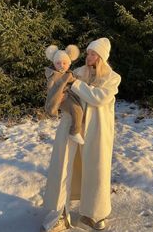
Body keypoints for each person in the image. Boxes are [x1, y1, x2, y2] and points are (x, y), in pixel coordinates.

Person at [41, 37, 121, 231]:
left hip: (98, 129)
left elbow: (98, 98)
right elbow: (61, 85)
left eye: (93, 53)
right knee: (63, 165)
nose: (89, 56)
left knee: (97, 168)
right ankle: (59, 214)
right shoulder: (78, 72)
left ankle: (93, 213)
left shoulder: (112, 78)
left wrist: (75, 84)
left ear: (101, 56)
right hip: (71, 124)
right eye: (88, 53)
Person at [45, 44, 85, 145]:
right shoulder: (53, 75)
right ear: (54, 64)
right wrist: (58, 97)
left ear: (69, 64)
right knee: (77, 110)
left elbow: (76, 81)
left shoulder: (68, 74)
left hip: (69, 96)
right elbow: (51, 90)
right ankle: (74, 132)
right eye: (58, 63)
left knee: (80, 108)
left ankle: (76, 129)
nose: (61, 65)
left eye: (64, 63)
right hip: (61, 98)